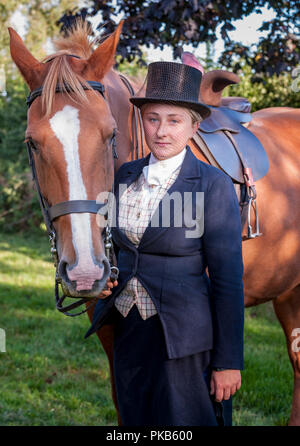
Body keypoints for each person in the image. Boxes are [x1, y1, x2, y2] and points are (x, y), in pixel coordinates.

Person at [85, 61, 244, 426]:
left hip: (184, 340)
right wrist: (107, 275)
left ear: (193, 126)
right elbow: (118, 246)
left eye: (174, 120)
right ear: (141, 120)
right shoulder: (124, 176)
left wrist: (229, 361)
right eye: (153, 118)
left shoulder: (212, 185)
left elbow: (227, 281)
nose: (162, 131)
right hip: (128, 331)